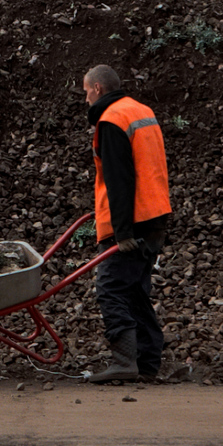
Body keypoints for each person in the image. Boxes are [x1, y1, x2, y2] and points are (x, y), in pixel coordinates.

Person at [78, 64, 173, 386]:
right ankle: (147, 363)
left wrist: (122, 232)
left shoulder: (112, 120)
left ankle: (123, 361)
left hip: (133, 220)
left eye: (86, 92)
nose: (86, 99)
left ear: (98, 89)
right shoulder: (141, 111)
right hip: (155, 214)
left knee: (111, 288)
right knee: (135, 292)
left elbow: (119, 179)